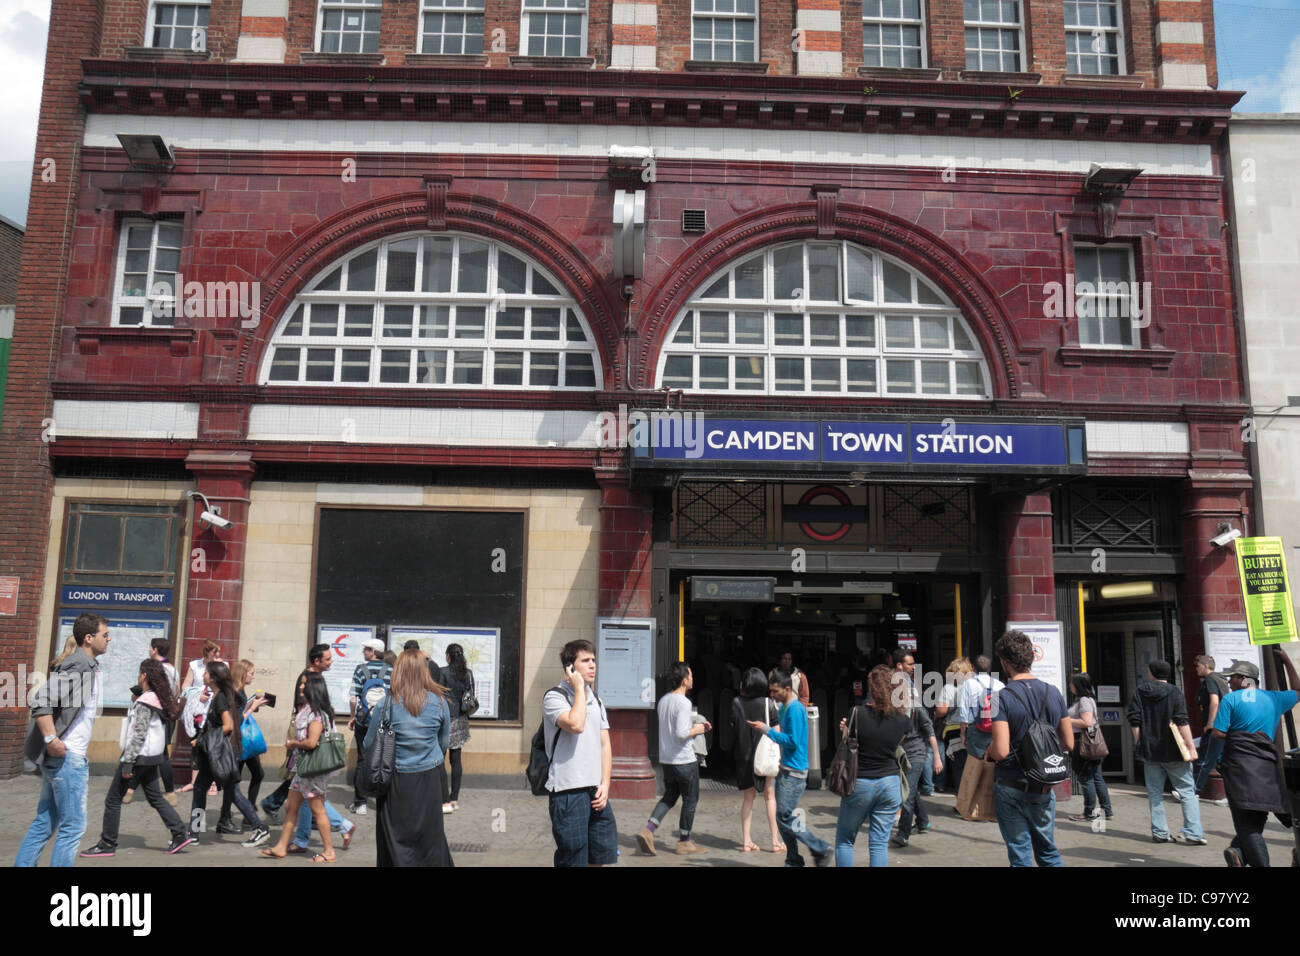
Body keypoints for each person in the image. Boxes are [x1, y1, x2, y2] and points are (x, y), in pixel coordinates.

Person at [16, 613, 110, 867]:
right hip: (68, 757)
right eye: (105, 635)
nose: (109, 639)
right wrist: (51, 740)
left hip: (64, 758)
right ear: (89, 638)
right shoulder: (79, 664)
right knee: (73, 827)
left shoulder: (87, 665)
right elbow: (41, 700)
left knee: (46, 821)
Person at [79, 658, 194, 857]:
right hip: (153, 756)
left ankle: (107, 843)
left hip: (138, 758)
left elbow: (138, 734)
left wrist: (127, 764)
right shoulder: (159, 699)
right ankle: (179, 833)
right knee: (155, 797)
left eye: (139, 673)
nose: (138, 677)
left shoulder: (145, 702)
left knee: (113, 800)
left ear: (144, 676)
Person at [987, 629, 1073, 867]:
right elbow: (1068, 743)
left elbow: (1001, 750)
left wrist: (989, 751)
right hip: (1043, 784)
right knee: (1048, 852)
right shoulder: (1053, 692)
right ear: (1031, 658)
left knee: (1020, 853)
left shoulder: (999, 698)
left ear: (1004, 663)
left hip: (1011, 784)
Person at [364, 648, 454, 867]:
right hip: (429, 778)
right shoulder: (440, 702)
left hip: (395, 780)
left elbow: (368, 744)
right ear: (424, 672)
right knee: (430, 837)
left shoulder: (385, 704)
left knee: (395, 839)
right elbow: (443, 744)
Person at [1212, 652, 1299, 867]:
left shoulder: (1231, 699)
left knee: (1247, 826)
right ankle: (1238, 852)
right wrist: (1287, 661)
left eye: (1232, 677)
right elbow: (1298, 689)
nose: (1228, 682)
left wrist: (1240, 734)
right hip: (1265, 768)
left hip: (1239, 769)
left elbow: (1218, 732)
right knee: (1256, 818)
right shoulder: (1274, 698)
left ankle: (1247, 856)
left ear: (1245, 679)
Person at [542, 639, 616, 867]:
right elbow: (576, 724)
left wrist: (605, 784)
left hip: (595, 790)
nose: (593, 665)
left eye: (594, 660)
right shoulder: (554, 697)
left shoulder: (596, 700)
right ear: (570, 668)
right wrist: (578, 688)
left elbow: (605, 744)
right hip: (568, 791)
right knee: (573, 859)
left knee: (600, 855)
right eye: (585, 661)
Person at [747, 669, 832, 867]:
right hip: (786, 769)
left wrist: (766, 730)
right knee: (782, 817)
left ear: (787, 689)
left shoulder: (794, 709)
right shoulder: (784, 708)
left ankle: (819, 847)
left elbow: (792, 741)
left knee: (784, 816)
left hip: (794, 773)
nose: (772, 695)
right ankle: (793, 858)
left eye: (775, 691)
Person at [835, 665, 912, 867]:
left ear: (872, 688)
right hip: (890, 783)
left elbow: (848, 743)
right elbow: (896, 745)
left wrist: (846, 730)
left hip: (860, 782)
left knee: (845, 840)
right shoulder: (903, 720)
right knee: (878, 844)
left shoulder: (856, 713)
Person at [260, 672, 340, 863]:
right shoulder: (307, 709)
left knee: (318, 809)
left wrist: (294, 743)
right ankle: (281, 846)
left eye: (305, 685)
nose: (301, 688)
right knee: (291, 806)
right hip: (302, 768)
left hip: (313, 770)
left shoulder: (317, 715)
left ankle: (329, 851)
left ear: (315, 688)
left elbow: (312, 743)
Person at [188, 661, 269, 847]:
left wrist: (202, 740)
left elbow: (228, 726)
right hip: (214, 752)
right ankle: (194, 831)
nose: (204, 675)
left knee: (232, 791)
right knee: (200, 788)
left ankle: (259, 827)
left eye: (207, 672)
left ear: (214, 677)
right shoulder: (220, 695)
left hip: (220, 752)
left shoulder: (222, 698)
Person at [636, 661, 711, 856]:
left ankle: (648, 830)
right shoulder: (684, 702)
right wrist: (699, 729)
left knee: (670, 796)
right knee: (691, 799)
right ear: (685, 680)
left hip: (667, 760)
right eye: (691, 676)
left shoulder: (664, 700)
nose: (693, 679)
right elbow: (681, 733)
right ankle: (685, 841)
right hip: (684, 760)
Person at [1127, 659, 1204, 845]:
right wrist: (1191, 747)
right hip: (1174, 750)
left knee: (1154, 793)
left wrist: (1140, 744)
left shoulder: (1140, 692)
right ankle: (1193, 833)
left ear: (1151, 673)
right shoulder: (1175, 692)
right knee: (1186, 791)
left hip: (1150, 751)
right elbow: (1182, 721)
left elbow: (1135, 721)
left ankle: (1160, 832)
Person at [260, 644, 330, 818]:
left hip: (312, 729)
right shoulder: (307, 679)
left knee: (302, 775)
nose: (331, 662)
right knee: (303, 772)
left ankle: (274, 803)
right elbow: (302, 710)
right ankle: (313, 816)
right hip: (305, 731)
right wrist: (306, 737)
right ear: (316, 660)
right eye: (327, 659)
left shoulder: (314, 676)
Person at [890, 649, 942, 848]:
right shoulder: (896, 706)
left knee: (907, 793)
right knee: (910, 790)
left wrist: (936, 756)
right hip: (900, 752)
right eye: (910, 664)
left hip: (917, 752)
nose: (914, 668)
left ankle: (903, 834)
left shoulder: (916, 705)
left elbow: (929, 730)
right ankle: (923, 821)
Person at [215, 659, 271, 844]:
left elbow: (239, 713)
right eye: (251, 673)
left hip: (243, 742)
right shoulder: (234, 692)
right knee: (233, 784)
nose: (253, 676)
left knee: (251, 776)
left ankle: (238, 817)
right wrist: (252, 708)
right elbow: (236, 720)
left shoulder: (240, 692)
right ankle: (237, 818)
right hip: (238, 743)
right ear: (243, 673)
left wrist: (252, 705)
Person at [731, 666, 782, 854]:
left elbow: (734, 728)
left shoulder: (736, 703)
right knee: (770, 796)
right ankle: (775, 842)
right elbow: (777, 733)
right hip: (765, 757)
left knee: (748, 799)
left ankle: (746, 842)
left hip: (744, 757)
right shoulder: (769, 704)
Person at [348, 638, 390, 815]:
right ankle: (383, 799)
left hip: (363, 721)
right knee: (384, 759)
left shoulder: (360, 669)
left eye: (366, 649)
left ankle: (360, 803)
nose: (363, 652)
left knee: (363, 760)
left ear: (373, 651)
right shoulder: (391, 670)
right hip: (383, 722)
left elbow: (352, 697)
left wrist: (352, 716)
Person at [1065, 672, 1113, 823]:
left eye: (1071, 683)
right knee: (1096, 777)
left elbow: (1086, 722)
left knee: (1086, 778)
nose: (1069, 685)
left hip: (1083, 742)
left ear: (1077, 685)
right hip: (1088, 741)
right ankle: (1106, 810)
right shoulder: (1085, 699)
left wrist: (1066, 720)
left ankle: (1089, 812)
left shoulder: (1084, 700)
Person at [438, 643, 475, 813]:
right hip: (461, 718)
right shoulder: (468, 674)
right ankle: (455, 798)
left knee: (439, 759)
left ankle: (444, 798)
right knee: (456, 760)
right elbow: (471, 695)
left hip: (445, 718)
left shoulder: (442, 672)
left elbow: (437, 693)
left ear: (448, 656)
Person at [1193, 654, 1230, 795]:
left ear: (1205, 666)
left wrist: (1210, 723)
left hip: (1215, 727)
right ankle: (1230, 792)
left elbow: (1214, 701)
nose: (1196, 669)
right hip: (1224, 726)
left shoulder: (1210, 679)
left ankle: (1192, 791)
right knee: (1222, 761)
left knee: (1205, 758)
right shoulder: (1221, 679)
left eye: (1198, 666)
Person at [934, 657, 972, 792]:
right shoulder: (975, 685)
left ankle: (961, 800)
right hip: (974, 729)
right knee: (973, 765)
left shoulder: (949, 688)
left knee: (959, 766)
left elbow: (941, 710)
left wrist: (936, 714)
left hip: (954, 729)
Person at [958, 655, 1004, 762]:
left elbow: (964, 712)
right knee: (994, 764)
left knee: (976, 767)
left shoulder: (968, 683)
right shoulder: (1000, 685)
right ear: (989, 668)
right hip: (996, 729)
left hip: (976, 729)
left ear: (973, 668)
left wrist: (963, 734)